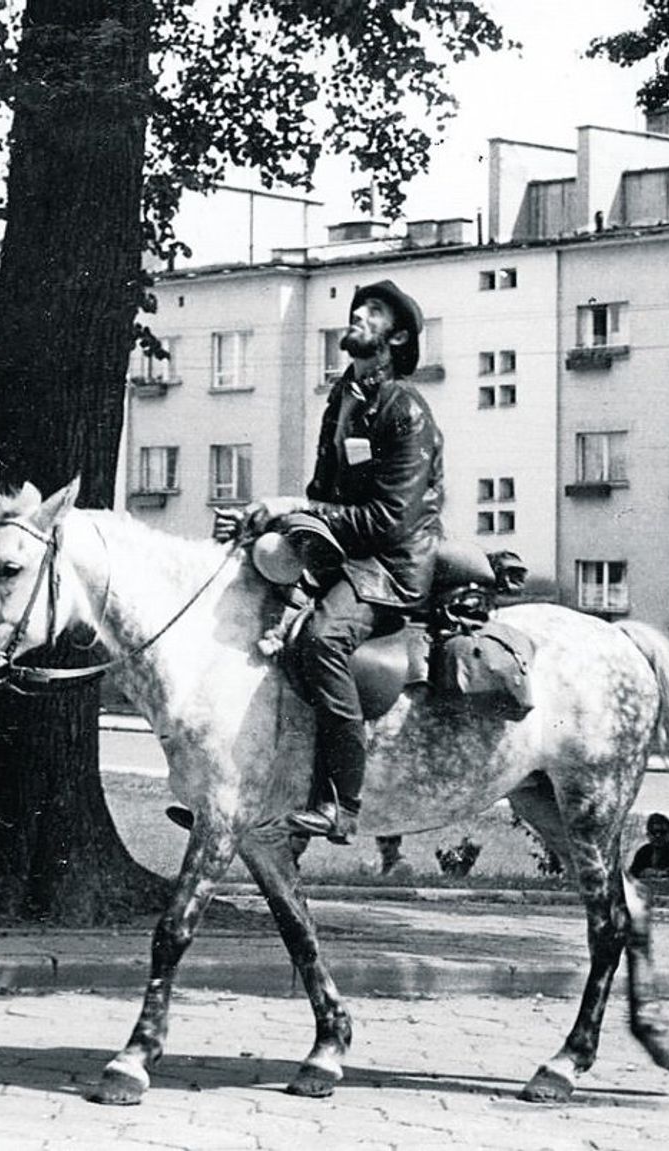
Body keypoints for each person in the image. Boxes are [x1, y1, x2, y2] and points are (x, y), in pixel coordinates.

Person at [213, 280, 445, 844]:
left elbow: (388, 520)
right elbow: (325, 495)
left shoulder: (405, 409)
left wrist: (295, 508)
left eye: (375, 311)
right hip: (344, 559)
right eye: (358, 308)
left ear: (396, 337)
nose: (360, 315)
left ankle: (340, 804)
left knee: (320, 640)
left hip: (389, 567)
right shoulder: (342, 402)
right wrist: (265, 524)